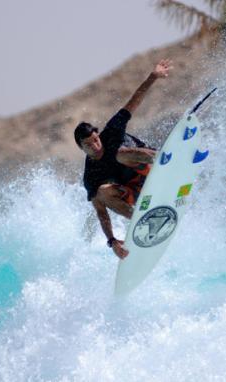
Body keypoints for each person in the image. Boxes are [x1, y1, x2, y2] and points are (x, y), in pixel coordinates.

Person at [74, 59, 173, 259]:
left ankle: (169, 160)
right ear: (81, 148)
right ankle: (140, 219)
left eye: (95, 140)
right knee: (101, 193)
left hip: (150, 167)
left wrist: (153, 76)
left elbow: (134, 102)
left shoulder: (111, 132)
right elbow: (101, 211)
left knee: (119, 154)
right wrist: (112, 242)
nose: (95, 146)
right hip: (135, 190)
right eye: (89, 145)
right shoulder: (90, 176)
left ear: (98, 134)